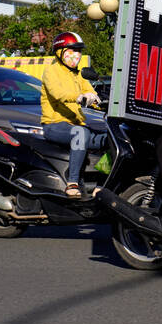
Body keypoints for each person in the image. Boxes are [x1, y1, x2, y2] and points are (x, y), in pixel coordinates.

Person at [40, 31, 105, 199]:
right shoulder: (51, 72)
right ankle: (72, 183)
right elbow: (58, 93)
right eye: (73, 50)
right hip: (54, 126)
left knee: (111, 138)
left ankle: (103, 184)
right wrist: (78, 97)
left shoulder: (78, 73)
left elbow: (89, 91)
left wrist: (96, 98)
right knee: (81, 132)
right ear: (60, 51)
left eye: (79, 50)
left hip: (77, 125)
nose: (77, 54)